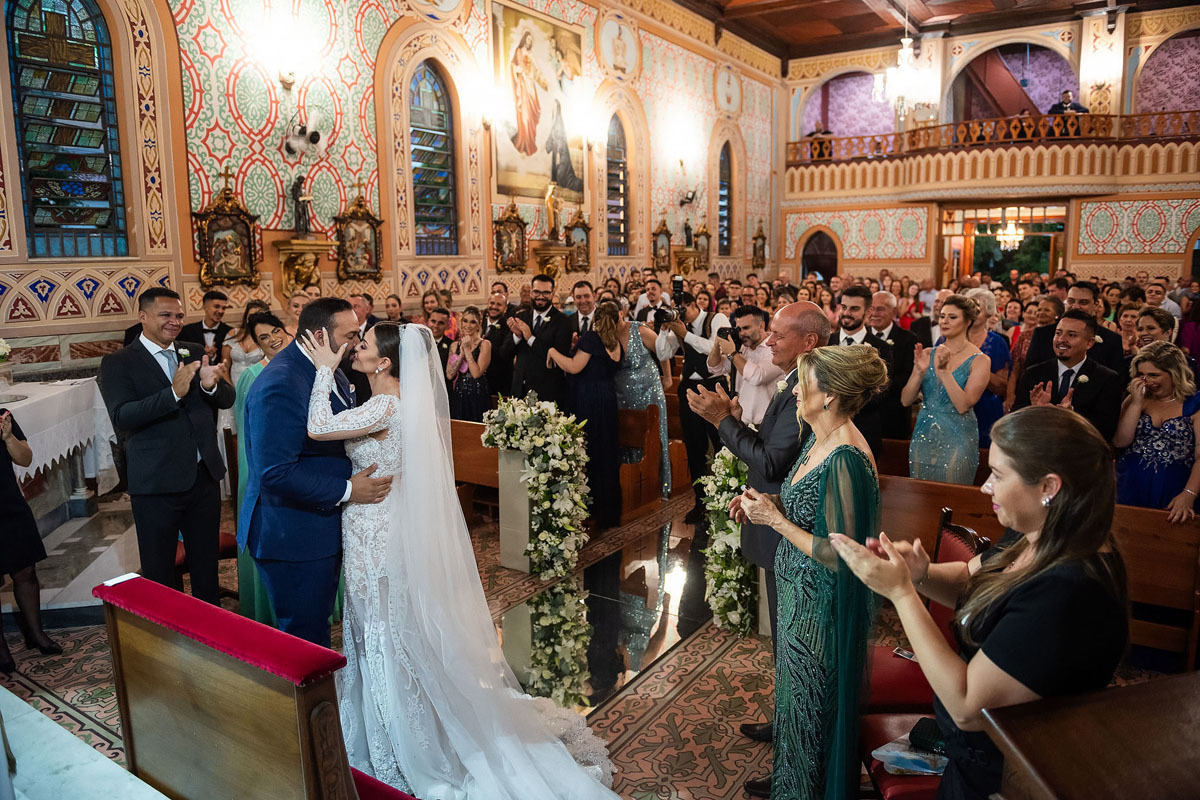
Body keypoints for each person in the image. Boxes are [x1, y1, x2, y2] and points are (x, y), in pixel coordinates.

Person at [298, 322, 617, 798]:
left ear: (383, 362)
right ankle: (398, 717)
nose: (353, 350)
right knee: (387, 627)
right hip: (380, 521)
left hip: (377, 530)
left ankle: (398, 734)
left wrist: (323, 372)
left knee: (383, 629)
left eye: (362, 345)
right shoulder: (402, 401)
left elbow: (318, 427)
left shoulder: (386, 404)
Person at [830, 405, 1128, 800]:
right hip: (973, 763)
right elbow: (972, 578)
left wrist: (901, 592)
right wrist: (920, 572)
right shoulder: (1037, 532)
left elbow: (968, 707)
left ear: (1048, 487)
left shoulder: (1069, 590)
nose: (986, 486)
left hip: (1010, 776)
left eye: (999, 475)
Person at [733, 344, 888, 800]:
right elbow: (811, 510)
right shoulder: (818, 438)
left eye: (806, 382)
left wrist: (775, 522)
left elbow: (839, 553)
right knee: (797, 713)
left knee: (809, 717)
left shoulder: (845, 455)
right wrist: (765, 505)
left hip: (819, 609)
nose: (796, 388)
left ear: (831, 396)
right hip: (799, 599)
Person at [686, 302, 827, 797]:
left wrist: (723, 422)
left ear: (809, 342)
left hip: (795, 529)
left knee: (797, 647)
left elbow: (772, 458)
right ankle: (787, 723)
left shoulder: (811, 388)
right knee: (785, 644)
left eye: (779, 335)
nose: (767, 342)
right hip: (778, 515)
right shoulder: (793, 381)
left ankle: (799, 751)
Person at [238, 297, 392, 646]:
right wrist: (349, 490)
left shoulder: (329, 369)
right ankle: (304, 702)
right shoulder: (281, 381)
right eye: (351, 335)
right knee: (303, 638)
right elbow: (275, 472)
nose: (356, 343)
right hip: (292, 533)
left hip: (317, 524)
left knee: (317, 627)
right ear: (321, 335)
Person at [99, 287, 234, 603]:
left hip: (203, 475)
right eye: (165, 315)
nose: (174, 322)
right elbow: (123, 416)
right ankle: (169, 642)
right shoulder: (119, 362)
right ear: (143, 317)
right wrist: (172, 394)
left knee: (206, 568)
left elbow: (227, 397)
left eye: (178, 316)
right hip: (157, 481)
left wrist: (211, 386)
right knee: (159, 572)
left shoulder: (191, 349)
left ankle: (210, 636)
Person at [232, 312, 294, 624]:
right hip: (265, 473)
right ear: (257, 345)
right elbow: (246, 436)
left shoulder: (308, 367)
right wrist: (256, 477)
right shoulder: (252, 376)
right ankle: (268, 609)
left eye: (275, 331)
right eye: (263, 338)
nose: (272, 340)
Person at [548, 303, 624, 529]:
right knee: (606, 454)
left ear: (596, 319)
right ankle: (609, 510)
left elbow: (574, 367)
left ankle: (590, 508)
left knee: (590, 452)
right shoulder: (616, 344)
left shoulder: (591, 338)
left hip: (589, 399)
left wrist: (552, 352)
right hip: (607, 400)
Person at [657, 291, 730, 522]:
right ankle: (700, 502)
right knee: (694, 448)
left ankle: (727, 498)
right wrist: (664, 329)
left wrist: (685, 334)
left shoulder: (716, 319)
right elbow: (662, 352)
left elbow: (714, 349)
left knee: (722, 445)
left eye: (682, 309)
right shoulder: (680, 326)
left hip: (715, 388)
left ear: (692, 305)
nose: (680, 314)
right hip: (689, 389)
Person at [0, 408, 62, 674]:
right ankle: (0, 647)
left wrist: (8, 437)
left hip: (8, 503)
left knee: (25, 569)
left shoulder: (3, 416)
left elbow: (25, 459)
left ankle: (36, 634)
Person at [904, 295, 991, 484]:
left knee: (952, 496)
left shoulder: (980, 360)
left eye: (952, 317)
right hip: (924, 432)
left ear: (968, 321)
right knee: (920, 495)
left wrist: (943, 371)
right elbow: (905, 400)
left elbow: (963, 405)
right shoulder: (927, 353)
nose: (944, 321)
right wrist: (918, 372)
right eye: (942, 316)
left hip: (959, 435)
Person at [1115, 341, 1200, 521]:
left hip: (1176, 487)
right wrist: (1137, 403)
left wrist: (1189, 494)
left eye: (1154, 375)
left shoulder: (1195, 404)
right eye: (1141, 374)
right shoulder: (1135, 399)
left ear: (1174, 374)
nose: (1147, 381)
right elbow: (1121, 441)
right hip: (1129, 485)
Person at [1013, 310, 1123, 441]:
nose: (1061, 340)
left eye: (1071, 335)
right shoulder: (1034, 373)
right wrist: (1036, 411)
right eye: (1058, 333)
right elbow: (1015, 418)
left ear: (1089, 343)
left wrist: (1071, 416)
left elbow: (1106, 430)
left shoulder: (1107, 379)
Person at [613, 301, 671, 496]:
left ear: (622, 312)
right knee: (627, 435)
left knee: (654, 435)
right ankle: (631, 484)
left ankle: (660, 483)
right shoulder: (606, 333)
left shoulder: (639, 330)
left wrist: (668, 377)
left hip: (649, 390)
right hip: (621, 393)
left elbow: (662, 351)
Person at [833, 285, 892, 455]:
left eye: (854, 309)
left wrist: (842, 402)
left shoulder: (881, 348)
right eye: (844, 307)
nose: (847, 313)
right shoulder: (826, 342)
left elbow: (882, 390)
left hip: (864, 429)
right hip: (825, 431)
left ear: (867, 312)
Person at [707, 305, 783, 427]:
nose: (742, 333)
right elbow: (715, 368)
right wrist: (717, 344)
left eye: (746, 328)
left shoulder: (774, 349)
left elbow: (758, 377)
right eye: (739, 329)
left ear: (761, 326)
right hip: (741, 421)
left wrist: (732, 353)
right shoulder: (742, 348)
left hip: (766, 424)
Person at [508, 274, 573, 406]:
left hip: (547, 391)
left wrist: (530, 338)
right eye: (537, 292)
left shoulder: (563, 321)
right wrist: (517, 336)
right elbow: (505, 353)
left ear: (552, 293)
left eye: (546, 293)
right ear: (531, 292)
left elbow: (557, 359)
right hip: (520, 390)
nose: (540, 296)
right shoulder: (521, 317)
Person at [961, 289, 1010, 448]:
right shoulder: (948, 339)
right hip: (954, 409)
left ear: (989, 312)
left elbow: (1002, 387)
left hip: (985, 409)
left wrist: (977, 366)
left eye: (978, 309)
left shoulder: (997, 343)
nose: (972, 312)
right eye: (969, 307)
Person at [869, 290, 919, 438]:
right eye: (871, 308)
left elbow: (907, 375)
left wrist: (875, 386)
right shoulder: (862, 335)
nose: (874, 313)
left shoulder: (908, 339)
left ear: (894, 312)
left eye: (881, 309)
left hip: (894, 412)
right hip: (864, 415)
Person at [446, 306, 492, 422]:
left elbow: (476, 373)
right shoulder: (454, 346)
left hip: (478, 392)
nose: (468, 325)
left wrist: (467, 350)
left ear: (478, 324)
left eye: (472, 322)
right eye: (465, 321)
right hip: (459, 393)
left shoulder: (485, 344)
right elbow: (450, 375)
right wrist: (461, 355)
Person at [180, 290, 232, 371]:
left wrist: (214, 357)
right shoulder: (187, 331)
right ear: (205, 307)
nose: (221, 311)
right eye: (216, 306)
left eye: (224, 308)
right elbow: (182, 356)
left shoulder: (230, 332)